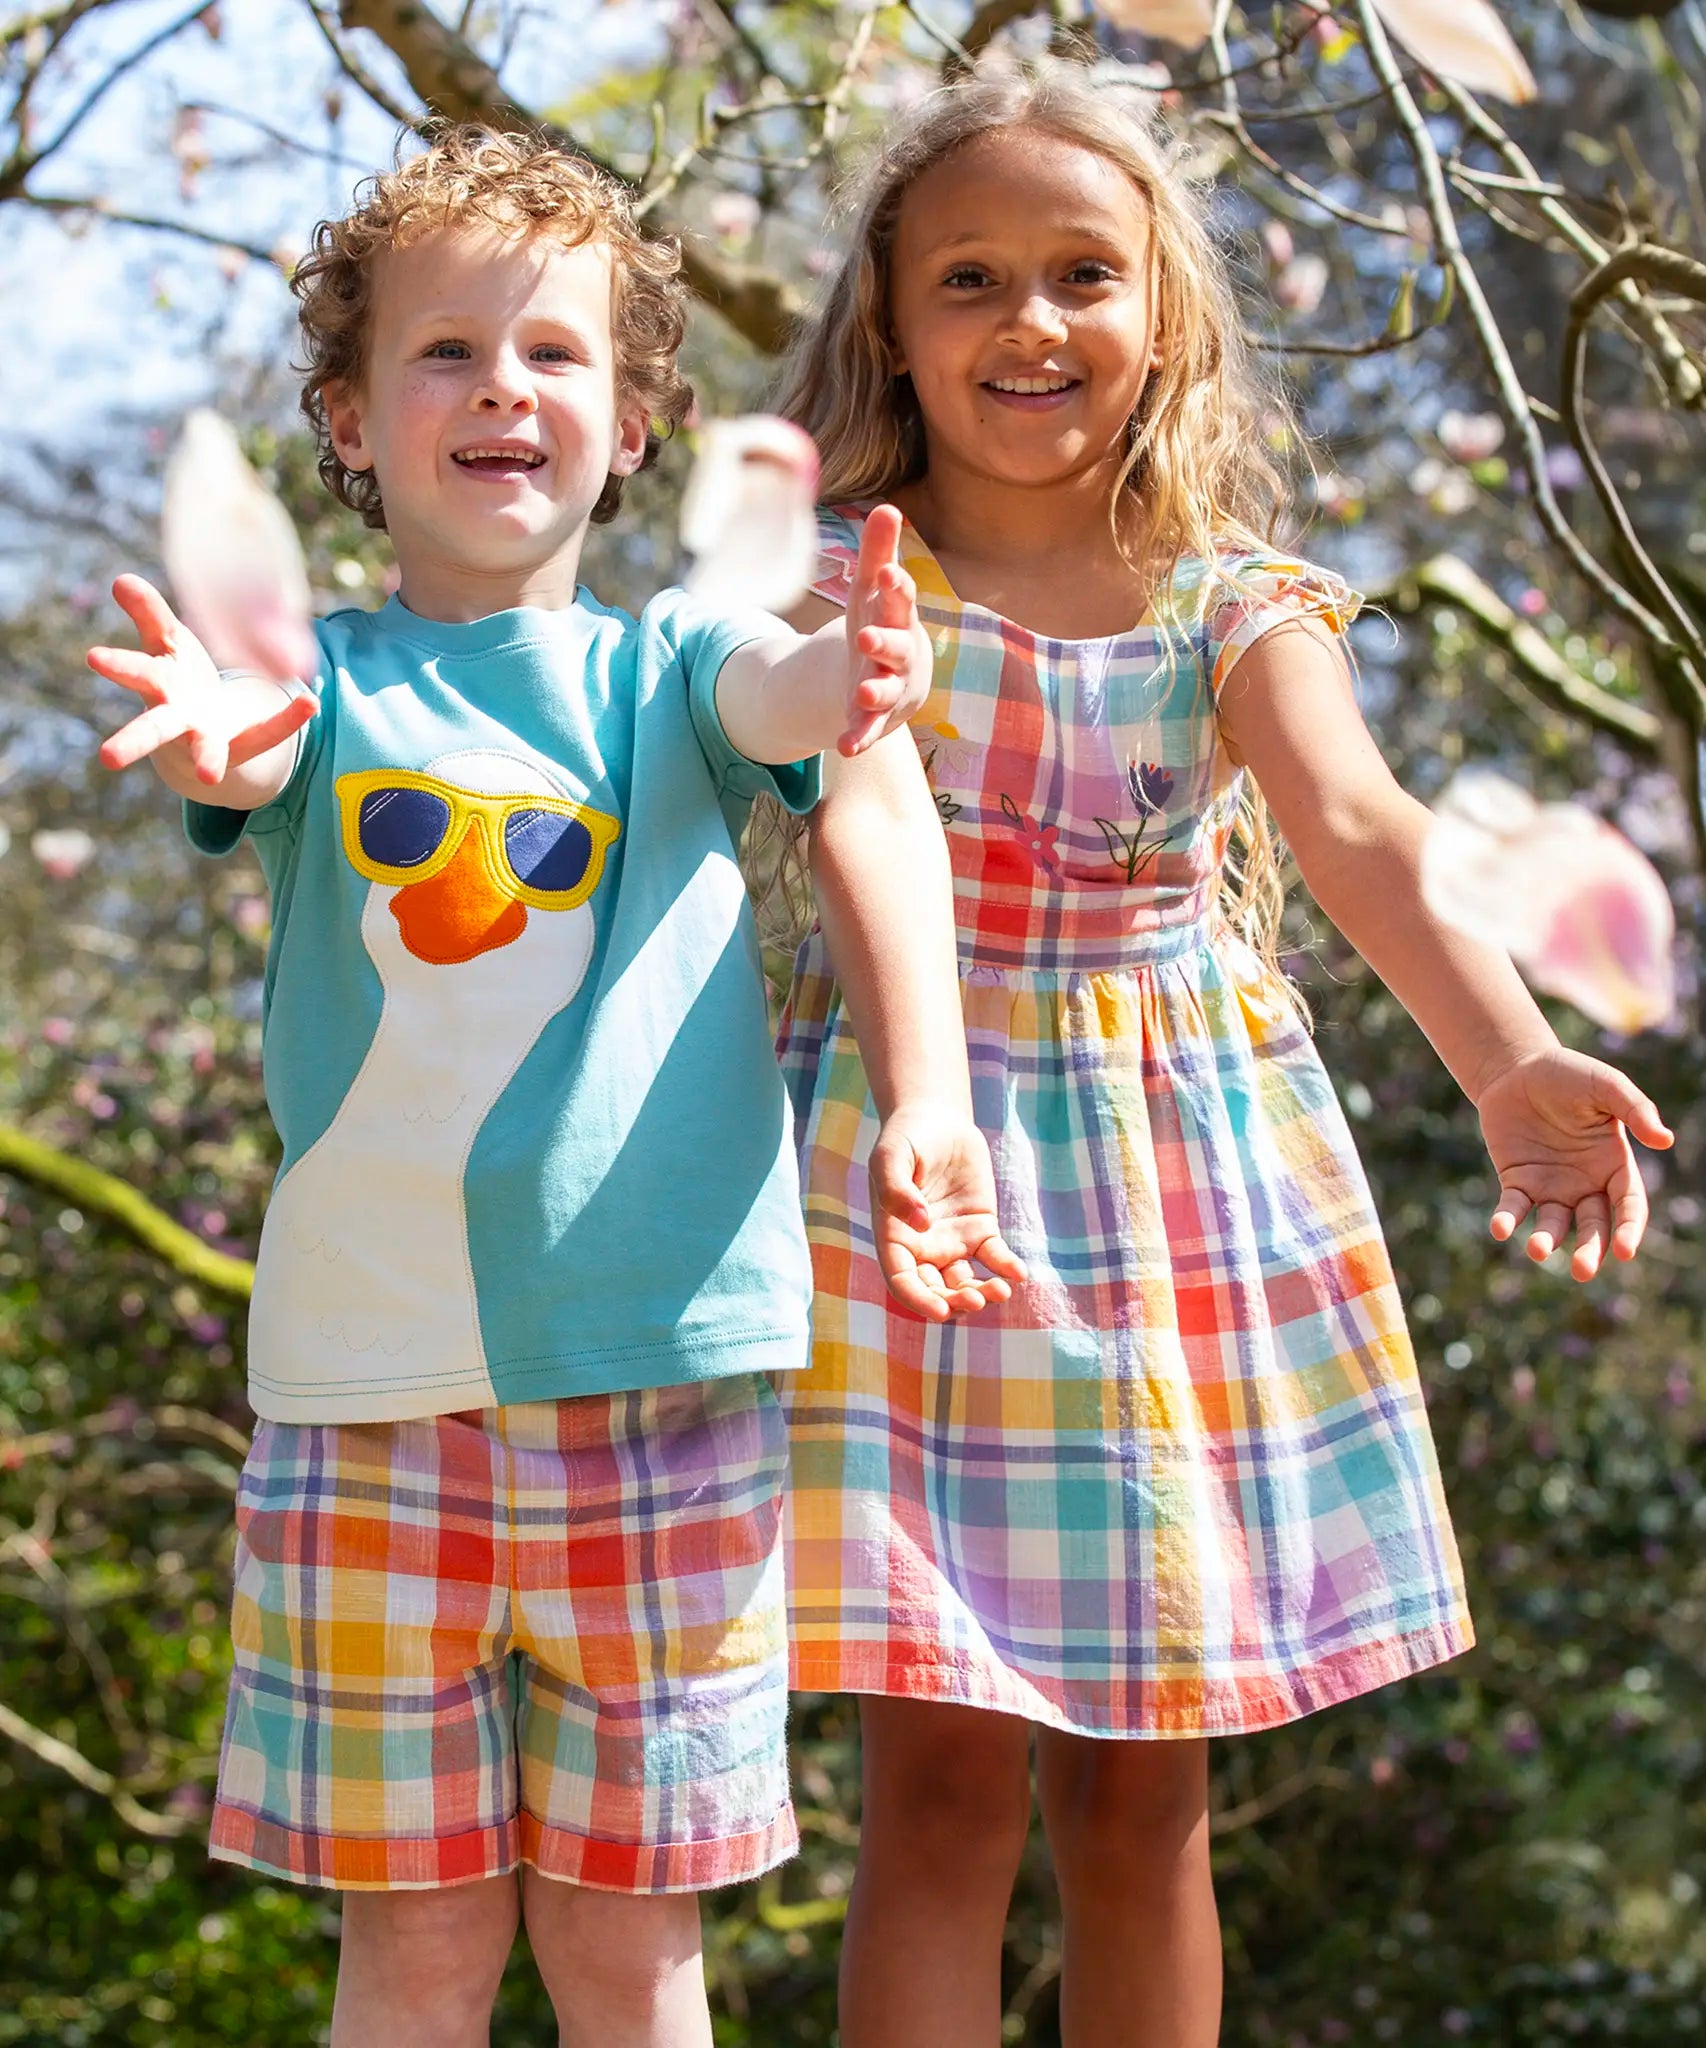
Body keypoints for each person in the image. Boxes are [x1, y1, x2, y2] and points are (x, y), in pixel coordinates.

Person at [772, 67, 1675, 2048]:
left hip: (1178, 1189)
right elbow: (862, 815)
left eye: (1081, 273)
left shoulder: (1231, 600)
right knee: (931, 1778)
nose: (1029, 323)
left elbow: (1358, 831)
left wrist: (1510, 1059)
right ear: (893, 330)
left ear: (1163, 308)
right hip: (935, 1182)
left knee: (1144, 1777)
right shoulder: (857, 584)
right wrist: (924, 1092)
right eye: (971, 280)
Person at [84, 124, 1013, 2048]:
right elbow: (247, 752)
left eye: (557, 354)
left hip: (660, 1385)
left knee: (626, 1957)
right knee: (413, 1956)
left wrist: (847, 668)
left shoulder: (672, 661)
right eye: (444, 352)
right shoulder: (320, 682)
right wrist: (231, 750)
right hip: (369, 1405)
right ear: (348, 422)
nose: (502, 386)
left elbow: (783, 704)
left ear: (640, 419)